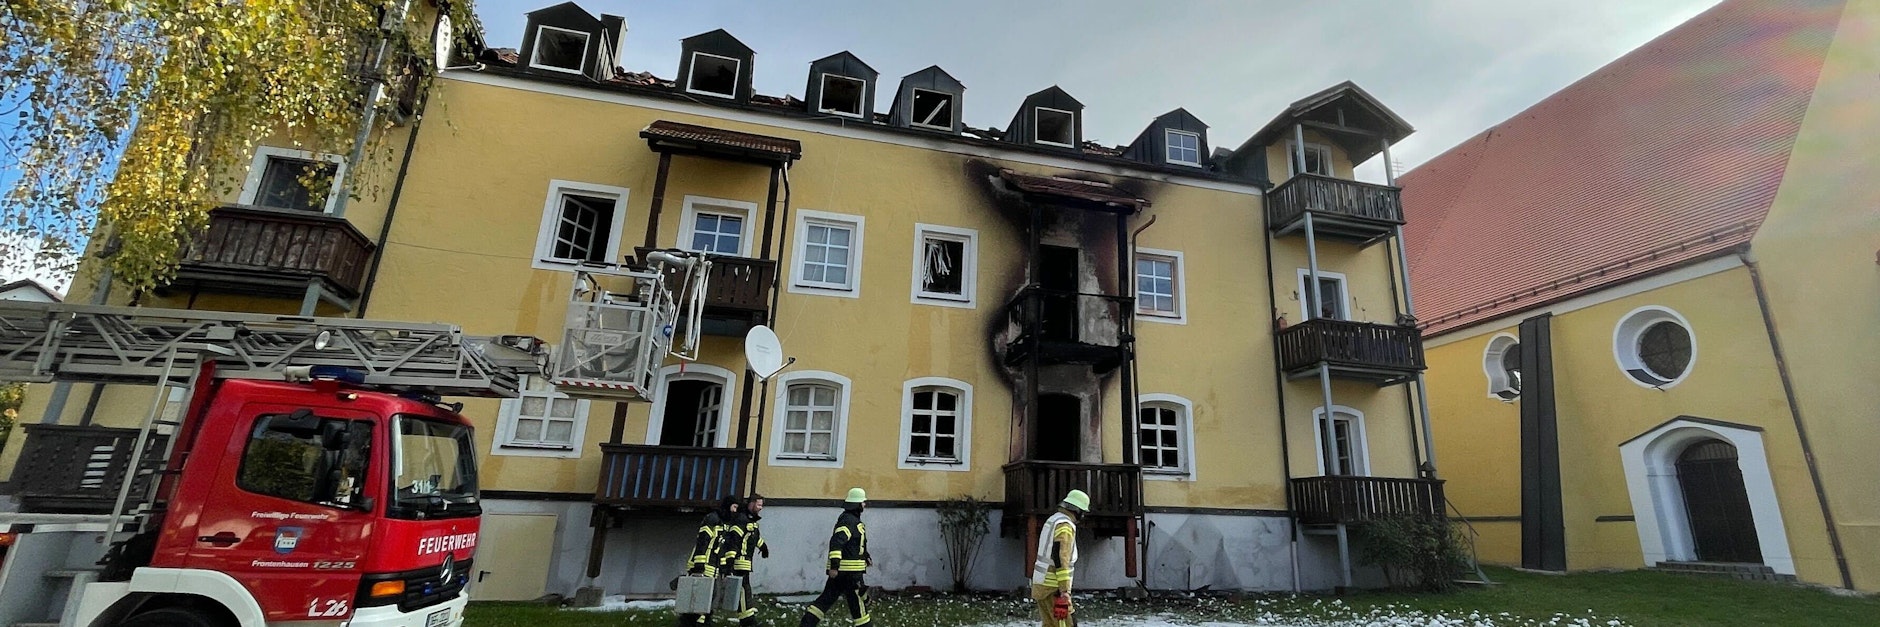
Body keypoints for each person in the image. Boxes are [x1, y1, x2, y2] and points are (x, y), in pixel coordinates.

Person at [799, 488, 871, 627]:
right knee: (858, 605)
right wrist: (834, 566)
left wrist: (865, 556)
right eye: (863, 502)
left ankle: (807, 623)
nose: (865, 505)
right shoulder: (849, 522)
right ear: (857, 504)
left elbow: (855, 545)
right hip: (850, 574)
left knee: (826, 599)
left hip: (842, 573)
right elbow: (836, 544)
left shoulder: (851, 521)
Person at [678, 495, 746, 627]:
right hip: (703, 565)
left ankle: (703, 621)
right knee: (699, 598)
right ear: (728, 506)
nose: (735, 511)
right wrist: (699, 565)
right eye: (734, 507)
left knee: (710, 597)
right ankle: (690, 622)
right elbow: (703, 541)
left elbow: (721, 548)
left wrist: (725, 567)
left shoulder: (725, 524)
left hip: (713, 566)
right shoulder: (712, 519)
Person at [1030, 490, 1087, 627]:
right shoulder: (1065, 525)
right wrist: (1064, 591)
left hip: (1041, 584)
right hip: (1053, 588)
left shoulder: (1054, 520)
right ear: (1077, 510)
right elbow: (1061, 558)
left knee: (1050, 624)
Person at [730, 494, 769, 627]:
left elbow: (753, 537)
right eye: (759, 505)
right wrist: (731, 559)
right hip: (740, 561)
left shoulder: (750, 520)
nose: (760, 508)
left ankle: (748, 618)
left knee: (745, 588)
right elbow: (735, 540)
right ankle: (747, 621)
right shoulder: (742, 519)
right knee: (742, 589)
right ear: (751, 504)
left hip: (746, 561)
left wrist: (763, 546)